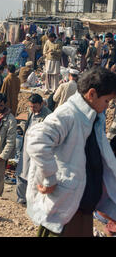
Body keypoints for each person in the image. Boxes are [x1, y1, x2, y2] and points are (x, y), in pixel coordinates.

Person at [25, 67, 116, 237]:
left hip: (81, 206)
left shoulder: (94, 118)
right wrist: (49, 178)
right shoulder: (69, 115)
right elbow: (37, 140)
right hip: (66, 208)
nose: (107, 106)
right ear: (91, 94)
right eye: (106, 101)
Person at [15, 94, 51, 205]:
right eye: (30, 107)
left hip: (38, 152)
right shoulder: (31, 112)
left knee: (35, 177)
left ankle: (33, 202)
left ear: (42, 104)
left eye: (34, 107)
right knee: (21, 172)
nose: (32, 109)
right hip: (26, 149)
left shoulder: (48, 116)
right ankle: (21, 200)